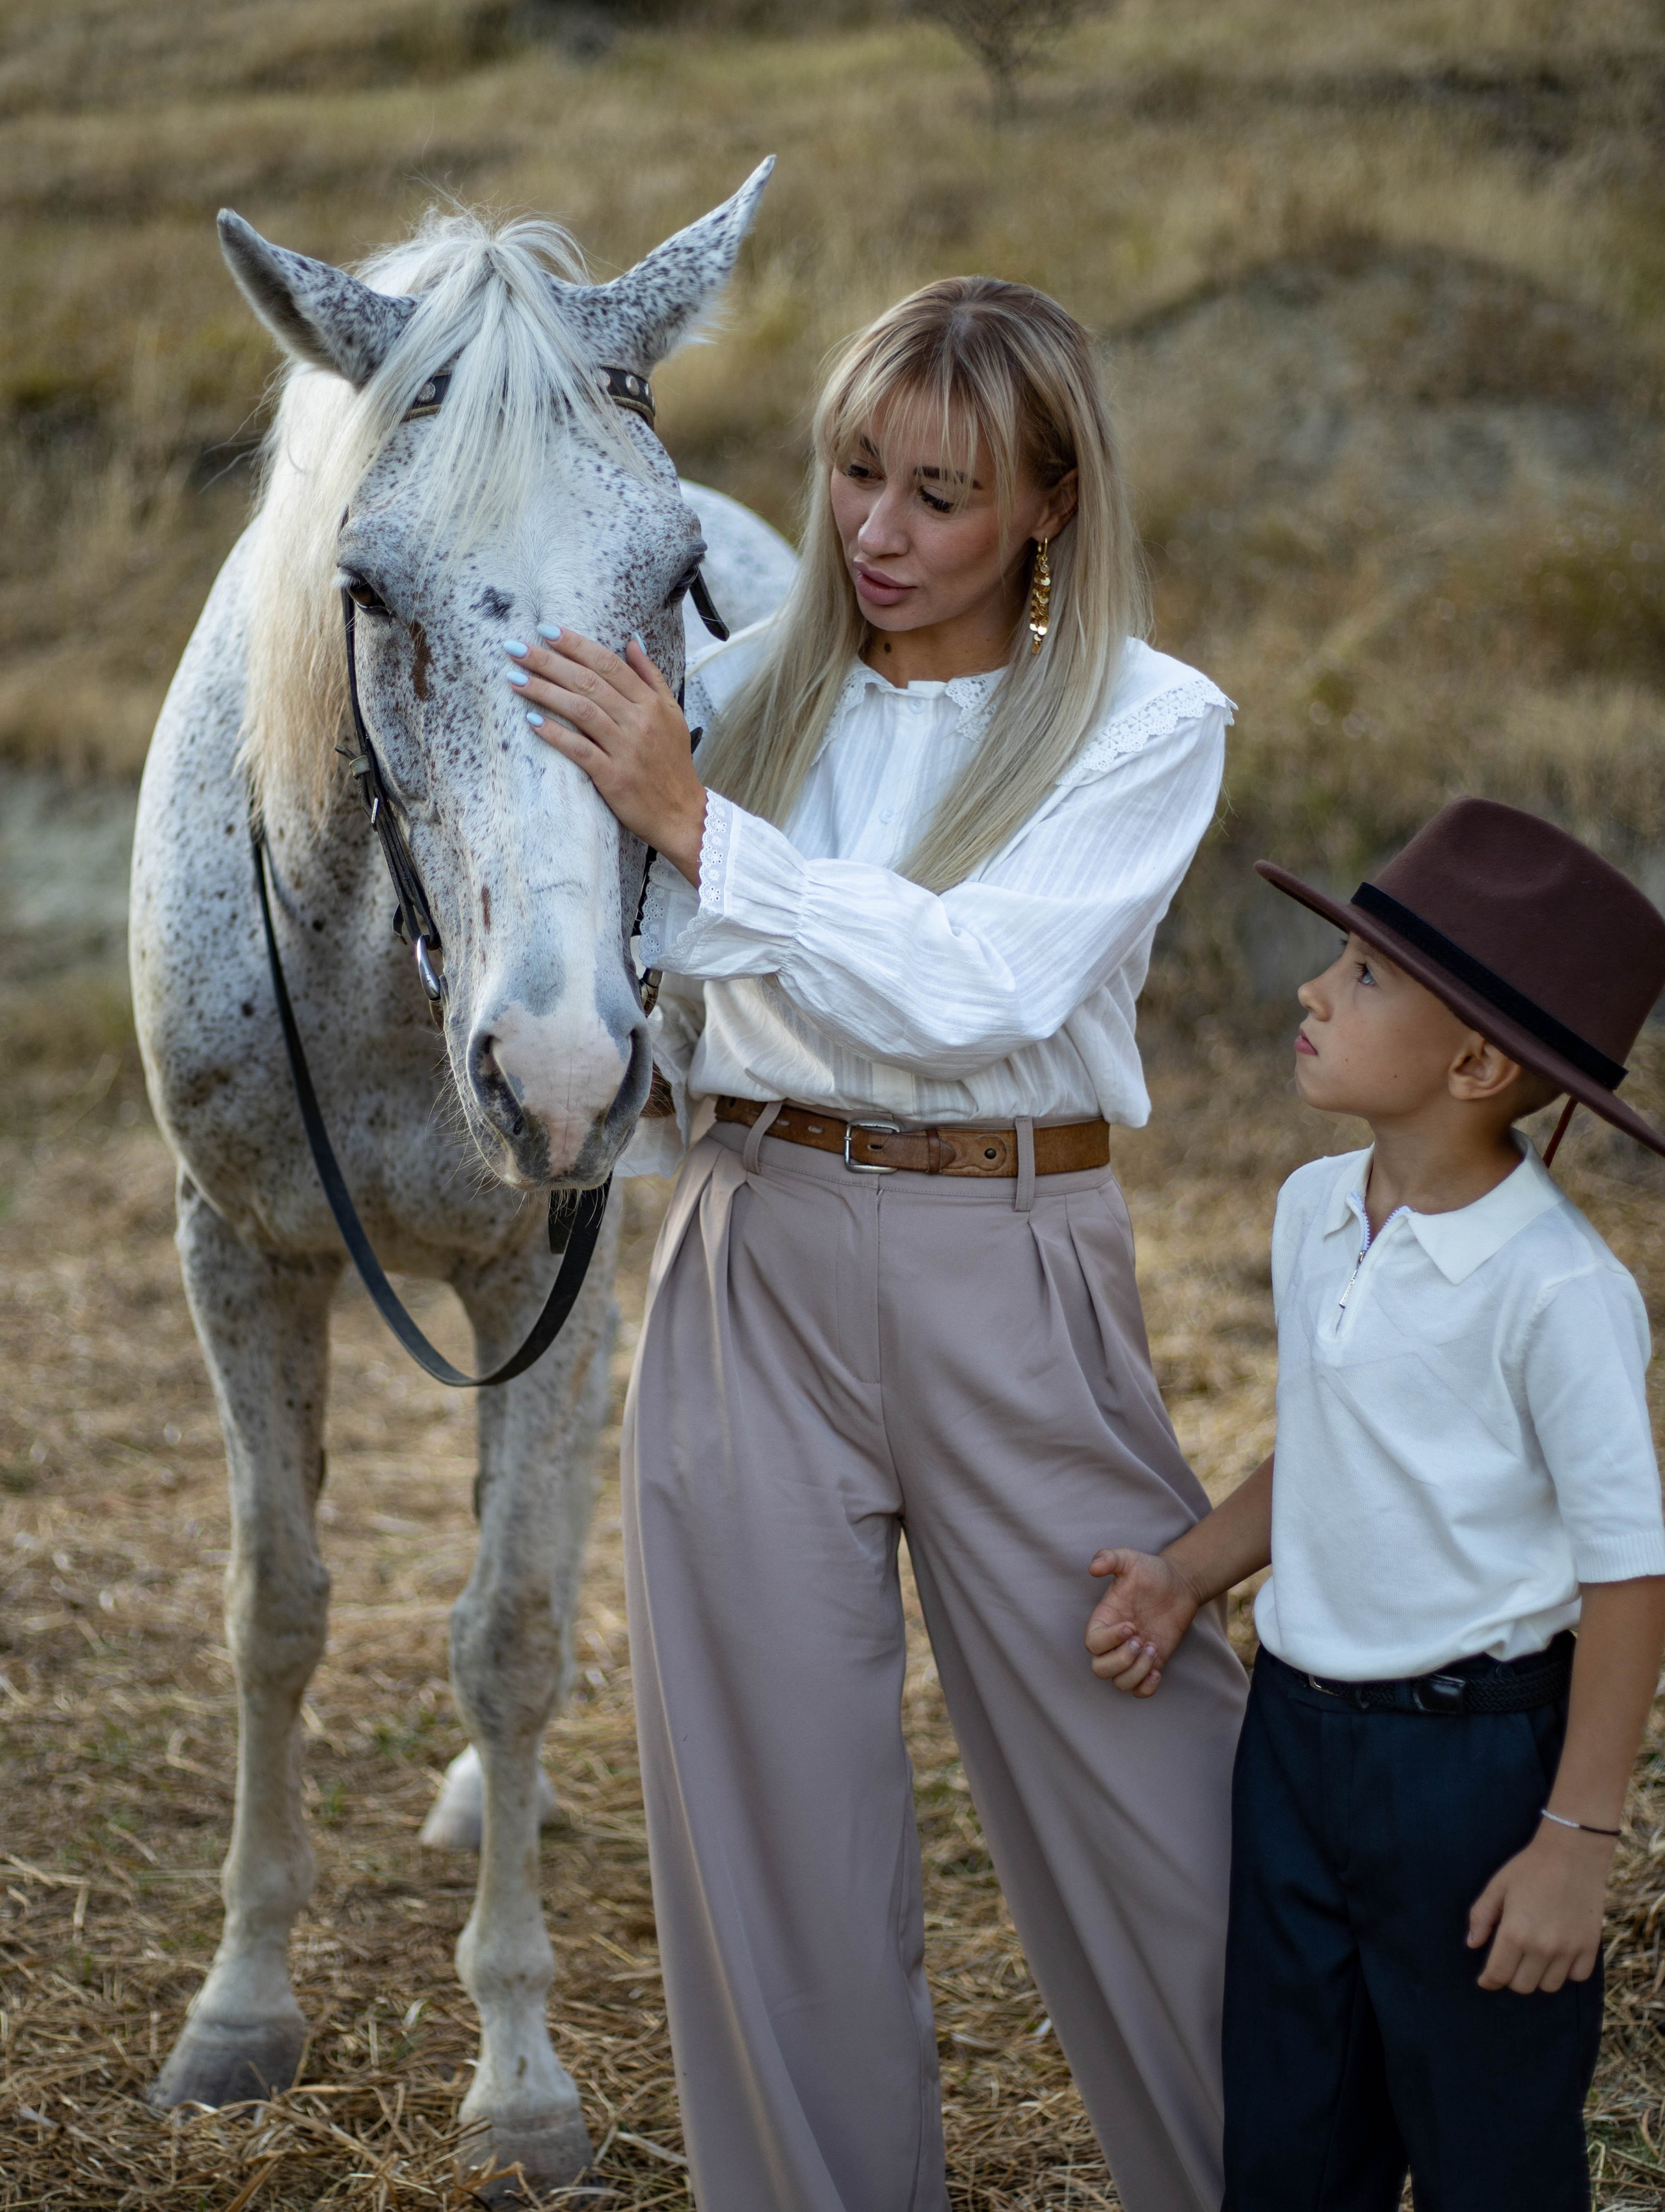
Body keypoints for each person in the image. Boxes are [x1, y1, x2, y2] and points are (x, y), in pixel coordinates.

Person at [505, 276, 1248, 2212]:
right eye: (854, 474)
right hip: (749, 1257)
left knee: (1157, 1801)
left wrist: (694, 828)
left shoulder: (1148, 725)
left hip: (1008, 1260)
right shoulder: (749, 697)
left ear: (1053, 505)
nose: (878, 534)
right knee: (772, 1850)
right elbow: (633, 986)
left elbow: (984, 991)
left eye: (942, 493)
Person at [1086, 797, 1665, 2211]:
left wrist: (1573, 1844)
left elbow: (1627, 1577)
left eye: (1360, 977)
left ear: (1472, 1059)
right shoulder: (1308, 1210)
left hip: (1473, 1777)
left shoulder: (1557, 1292)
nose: (1310, 989)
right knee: (1288, 2151)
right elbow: (1336, 1454)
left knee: (1486, 2158)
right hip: (1292, 1745)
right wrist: (1185, 1575)